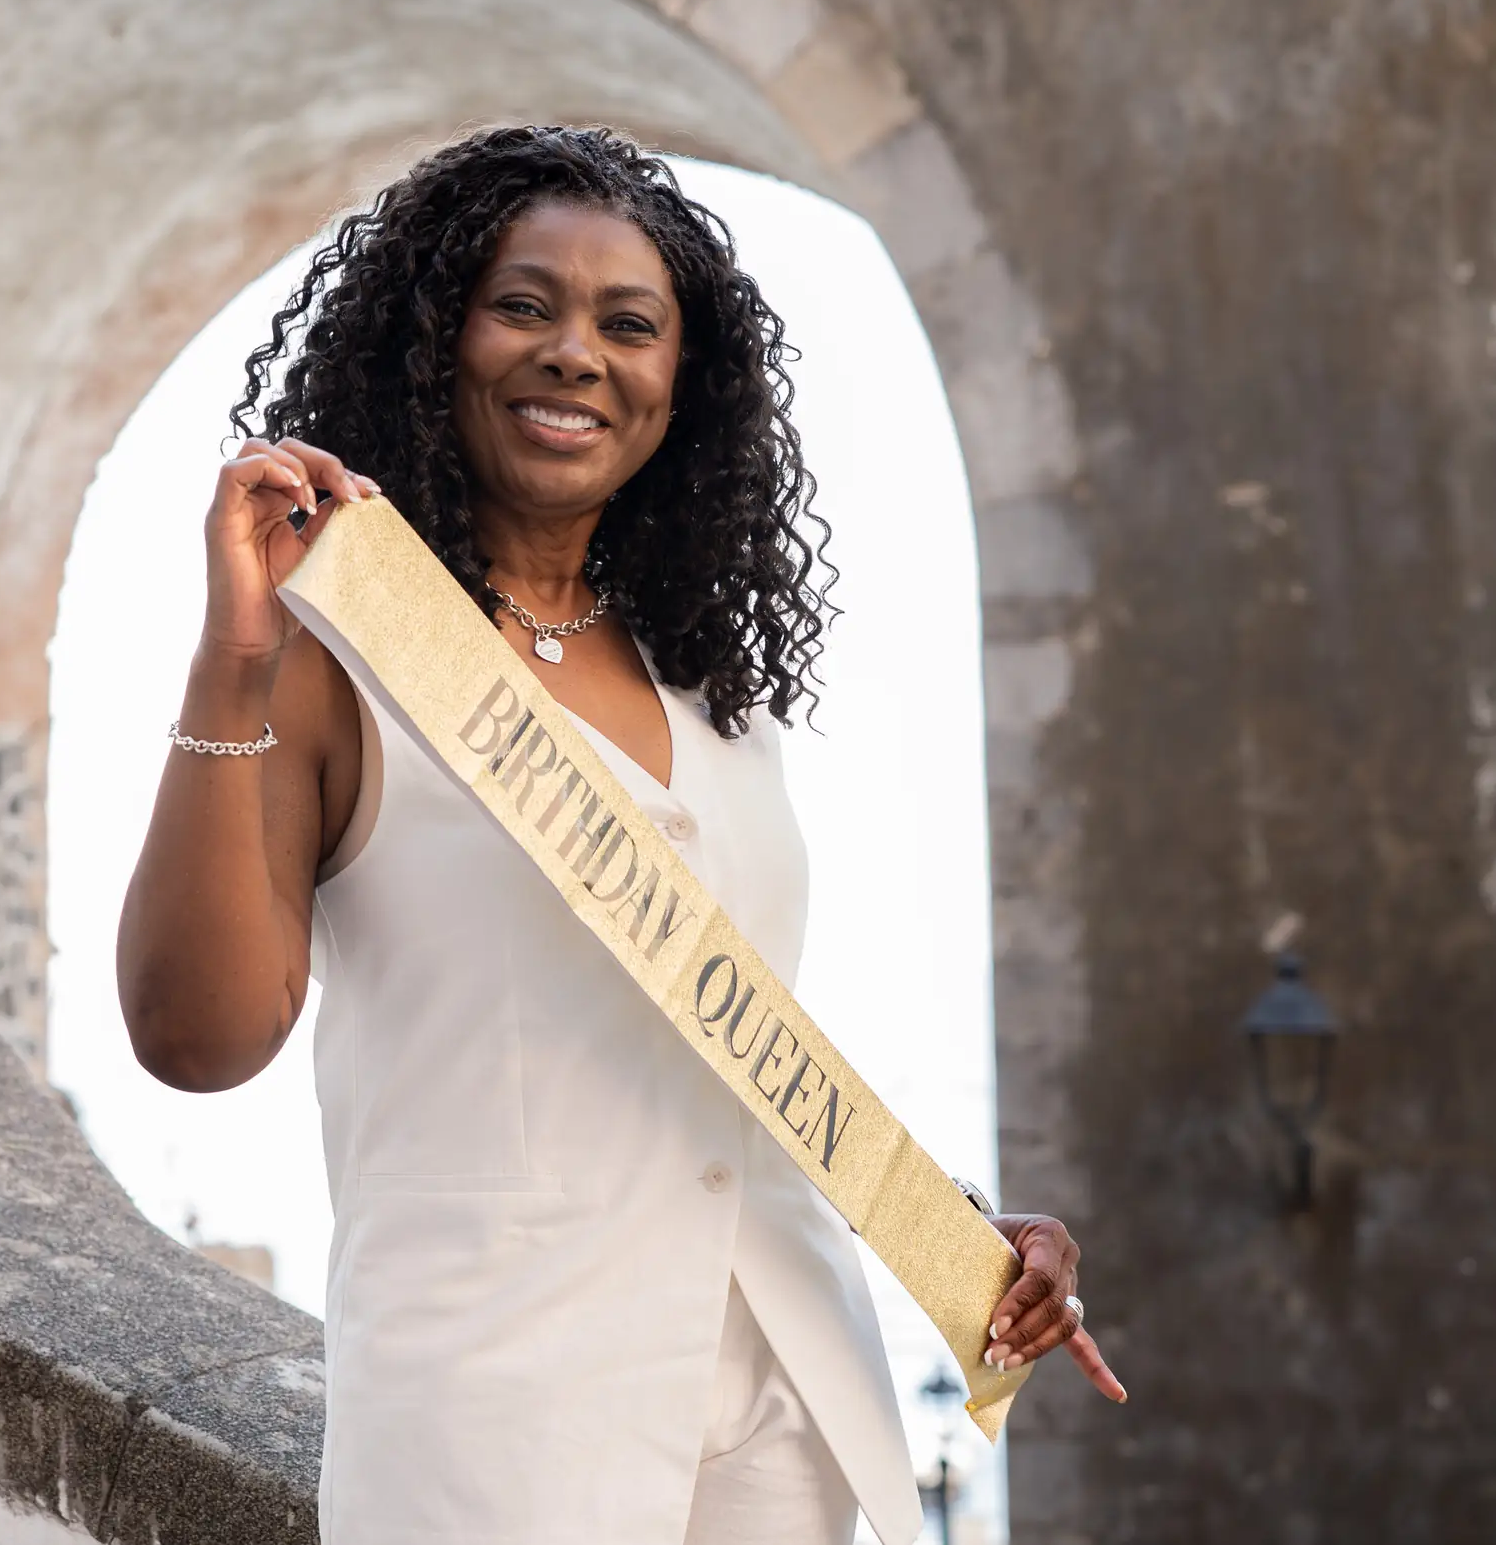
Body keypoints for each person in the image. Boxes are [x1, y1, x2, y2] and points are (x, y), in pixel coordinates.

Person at [116, 126, 1123, 1545]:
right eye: (522, 305)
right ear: (433, 336)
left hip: (779, 1382)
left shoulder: (713, 696)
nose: (575, 353)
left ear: (681, 387)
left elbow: (709, 1044)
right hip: (496, 1407)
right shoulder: (332, 659)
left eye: (628, 325)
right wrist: (231, 659)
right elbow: (193, 1035)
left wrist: (954, 1231)